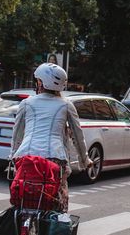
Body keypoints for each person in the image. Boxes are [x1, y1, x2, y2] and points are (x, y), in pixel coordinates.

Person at [8, 61, 92, 214]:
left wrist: (12, 157)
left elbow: (17, 134)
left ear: (40, 82)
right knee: (58, 202)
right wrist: (84, 160)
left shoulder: (26, 103)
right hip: (55, 158)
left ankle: (22, 230)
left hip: (26, 157)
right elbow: (78, 136)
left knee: (24, 194)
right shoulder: (66, 105)